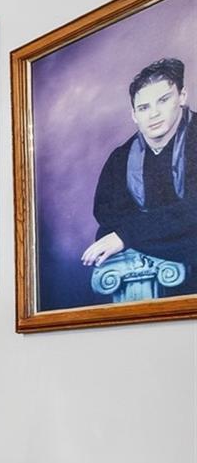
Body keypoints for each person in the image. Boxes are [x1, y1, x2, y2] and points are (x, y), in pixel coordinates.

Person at [81, 57, 197, 297]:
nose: (154, 114)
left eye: (163, 100)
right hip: (152, 271)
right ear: (134, 114)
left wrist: (128, 235)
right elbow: (108, 219)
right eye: (143, 107)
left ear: (182, 97)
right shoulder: (121, 158)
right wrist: (135, 234)